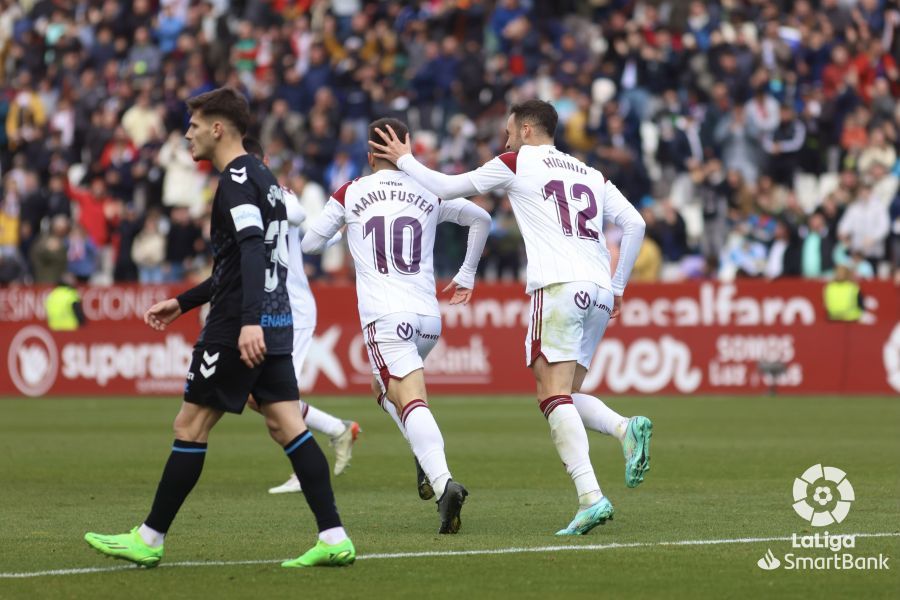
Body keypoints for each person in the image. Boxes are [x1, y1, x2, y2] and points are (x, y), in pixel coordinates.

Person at [84, 87, 355, 568]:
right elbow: (240, 260)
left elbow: (251, 249)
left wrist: (246, 322)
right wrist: (184, 302)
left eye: (193, 125)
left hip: (239, 324)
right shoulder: (265, 178)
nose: (186, 133)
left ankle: (148, 538)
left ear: (217, 128)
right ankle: (334, 537)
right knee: (286, 422)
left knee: (190, 425)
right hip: (275, 318)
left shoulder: (234, 180)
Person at [370, 100, 652, 536]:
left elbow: (446, 188)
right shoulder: (592, 174)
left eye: (508, 131)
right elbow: (634, 223)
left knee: (551, 395)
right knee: (566, 394)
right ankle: (623, 427)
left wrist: (405, 159)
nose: (504, 140)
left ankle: (591, 497)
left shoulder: (517, 161)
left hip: (558, 287)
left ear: (524, 129)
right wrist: (617, 286)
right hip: (597, 289)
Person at [302, 117, 491, 534]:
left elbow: (309, 244)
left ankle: (444, 485)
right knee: (384, 389)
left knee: (409, 399)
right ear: (408, 149)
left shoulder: (351, 191)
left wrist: (343, 232)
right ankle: (426, 460)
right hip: (427, 318)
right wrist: (467, 272)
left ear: (369, 155)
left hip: (385, 316)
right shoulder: (429, 188)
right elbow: (481, 219)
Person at [241, 137, 361, 495]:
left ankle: (308, 468)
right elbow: (306, 239)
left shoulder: (279, 195)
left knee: (279, 399)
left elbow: (296, 216)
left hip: (291, 310)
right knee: (253, 396)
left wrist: (270, 194)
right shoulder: (242, 199)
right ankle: (338, 428)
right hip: (265, 311)